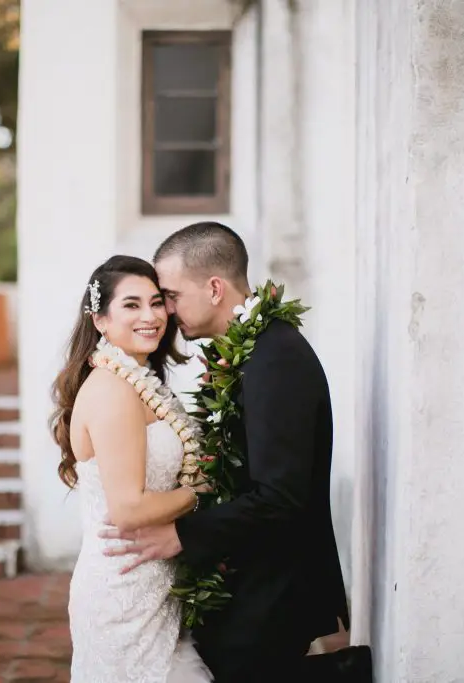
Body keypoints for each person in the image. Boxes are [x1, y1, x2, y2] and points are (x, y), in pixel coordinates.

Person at [100, 223, 356, 683]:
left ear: (215, 288)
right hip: (248, 577)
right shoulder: (247, 352)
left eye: (171, 295)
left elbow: (280, 495)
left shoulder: (275, 358)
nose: (166, 311)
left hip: (274, 589)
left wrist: (183, 535)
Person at [51, 255, 213, 683]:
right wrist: (204, 491)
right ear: (100, 320)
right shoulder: (112, 391)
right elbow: (128, 510)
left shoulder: (138, 382)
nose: (151, 316)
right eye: (132, 305)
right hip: (123, 589)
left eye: (157, 302)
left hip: (154, 581)